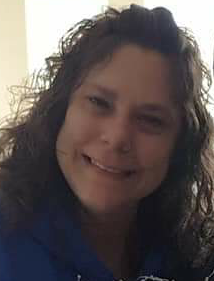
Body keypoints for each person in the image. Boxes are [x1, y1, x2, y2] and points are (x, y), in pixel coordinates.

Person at [0, 4, 214, 281]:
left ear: (179, 147)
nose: (116, 138)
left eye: (151, 120)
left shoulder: (192, 255)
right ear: (60, 109)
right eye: (98, 103)